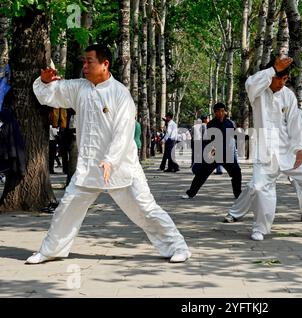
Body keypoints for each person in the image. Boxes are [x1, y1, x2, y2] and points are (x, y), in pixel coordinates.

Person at [27, 44, 191, 264]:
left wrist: (110, 160)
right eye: (83, 61)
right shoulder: (79, 88)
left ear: (105, 64)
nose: (84, 66)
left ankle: (178, 247)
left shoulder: (120, 95)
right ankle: (50, 250)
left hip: (122, 166)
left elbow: (123, 133)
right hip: (89, 167)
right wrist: (46, 81)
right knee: (67, 208)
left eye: (89, 61)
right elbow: (50, 95)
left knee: (145, 208)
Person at [223, 56, 302, 241]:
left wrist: (300, 149)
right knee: (258, 187)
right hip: (265, 150)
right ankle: (260, 228)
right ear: (270, 75)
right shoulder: (258, 93)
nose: (282, 83)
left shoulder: (288, 96)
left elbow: (297, 124)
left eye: (285, 79)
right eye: (279, 78)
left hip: (288, 150)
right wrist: (273, 69)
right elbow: (250, 83)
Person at [182, 103, 242, 199]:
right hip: (215, 153)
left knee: (236, 172)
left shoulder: (229, 123)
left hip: (227, 154)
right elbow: (209, 140)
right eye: (220, 111)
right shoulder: (211, 124)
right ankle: (190, 193)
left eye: (223, 111)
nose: (222, 113)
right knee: (202, 174)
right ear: (215, 112)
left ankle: (238, 194)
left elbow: (233, 135)